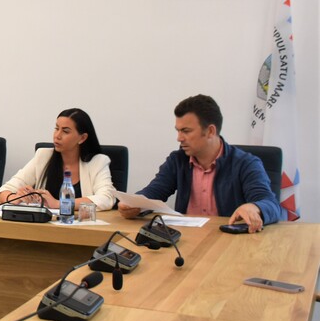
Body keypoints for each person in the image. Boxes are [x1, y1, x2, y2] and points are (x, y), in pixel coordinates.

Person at [117, 94, 280, 233]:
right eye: (178, 131)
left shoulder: (245, 163)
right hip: (187, 239)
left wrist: (254, 207)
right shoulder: (177, 160)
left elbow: (270, 204)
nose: (179, 138)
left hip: (228, 241)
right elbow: (154, 191)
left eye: (186, 131)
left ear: (210, 131)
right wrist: (133, 204)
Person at [0, 108, 116, 211]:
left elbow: (107, 198)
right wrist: (15, 198)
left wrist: (59, 204)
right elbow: (3, 191)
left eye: (65, 131)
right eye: (56, 128)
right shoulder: (43, 156)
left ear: (82, 138)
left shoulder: (98, 162)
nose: (57, 136)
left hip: (81, 226)